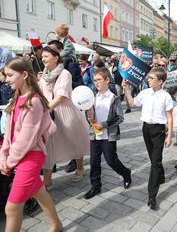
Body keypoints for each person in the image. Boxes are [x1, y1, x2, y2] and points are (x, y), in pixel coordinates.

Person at [0, 57, 62, 232]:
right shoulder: (16, 98)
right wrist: (3, 155)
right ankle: (56, 224)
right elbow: (8, 134)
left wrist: (8, 163)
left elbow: (25, 139)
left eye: (10, 75)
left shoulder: (34, 101)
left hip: (31, 156)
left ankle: (56, 224)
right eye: (6, 75)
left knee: (11, 208)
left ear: (25, 74)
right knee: (40, 192)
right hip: (17, 155)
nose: (6, 79)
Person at [39, 43, 89, 190]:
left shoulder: (64, 73)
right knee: (48, 146)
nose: (43, 59)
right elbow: (40, 91)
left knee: (74, 141)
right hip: (48, 115)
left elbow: (61, 96)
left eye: (46, 56)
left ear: (56, 58)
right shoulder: (44, 74)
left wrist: (47, 108)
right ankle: (47, 181)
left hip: (65, 113)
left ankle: (80, 168)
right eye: (42, 56)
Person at [122, 67, 173, 210]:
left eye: (151, 78)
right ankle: (161, 176)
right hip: (146, 129)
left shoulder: (166, 96)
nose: (148, 80)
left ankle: (152, 196)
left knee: (155, 163)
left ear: (160, 81)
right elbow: (132, 103)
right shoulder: (145, 93)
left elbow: (169, 116)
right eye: (148, 78)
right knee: (154, 158)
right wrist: (126, 89)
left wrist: (169, 136)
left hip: (159, 130)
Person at [84, 67, 131, 199]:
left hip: (108, 135)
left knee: (111, 160)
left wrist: (104, 124)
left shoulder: (113, 98)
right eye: (94, 80)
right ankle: (95, 186)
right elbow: (89, 116)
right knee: (94, 161)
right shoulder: (93, 97)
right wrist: (89, 116)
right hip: (95, 134)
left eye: (99, 80)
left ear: (107, 80)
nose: (96, 83)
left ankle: (126, 173)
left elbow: (120, 118)